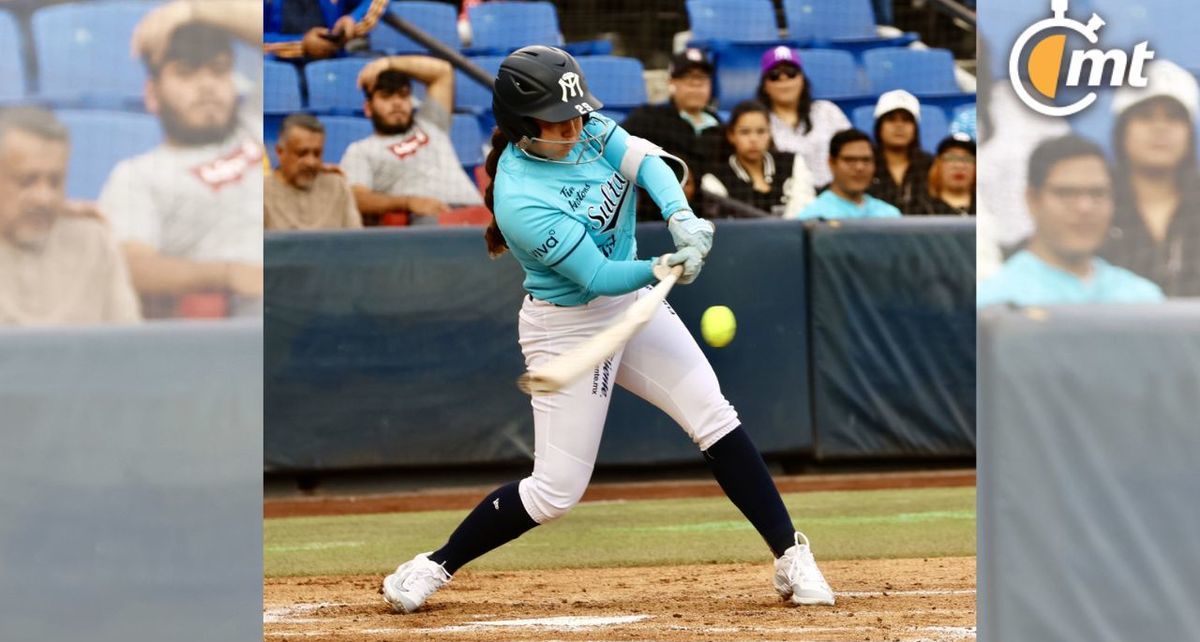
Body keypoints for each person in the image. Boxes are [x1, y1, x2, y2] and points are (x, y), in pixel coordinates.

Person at [380, 46, 835, 614]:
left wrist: (680, 217)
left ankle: (790, 554)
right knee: (554, 492)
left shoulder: (586, 125)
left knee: (713, 417)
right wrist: (662, 265)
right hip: (568, 326)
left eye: (576, 112)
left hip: (632, 304)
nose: (576, 125)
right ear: (522, 126)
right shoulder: (520, 196)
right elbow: (596, 276)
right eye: (557, 119)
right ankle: (434, 564)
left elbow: (644, 161)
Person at [99, 1, 263, 319]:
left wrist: (193, 9)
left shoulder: (253, 125)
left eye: (219, 69)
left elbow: (267, 23)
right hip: (233, 319)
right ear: (152, 94)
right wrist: (228, 274)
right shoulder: (138, 175)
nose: (206, 85)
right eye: (186, 73)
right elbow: (132, 265)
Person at [978, 136, 1164, 307]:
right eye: (1066, 193)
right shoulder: (994, 300)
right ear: (1033, 199)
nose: (1085, 207)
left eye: (1097, 193)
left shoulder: (1143, 299)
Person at [0, 107, 140, 325]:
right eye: (26, 181)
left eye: (55, 181)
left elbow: (131, 346)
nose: (44, 198)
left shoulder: (93, 242)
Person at [340, 55, 484, 226]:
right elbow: (356, 198)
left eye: (403, 95)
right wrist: (408, 202)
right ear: (368, 108)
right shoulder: (361, 150)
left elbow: (443, 72)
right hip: (431, 219)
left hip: (477, 211)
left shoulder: (430, 123)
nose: (397, 103)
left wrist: (388, 63)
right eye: (386, 96)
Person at [1101, 60, 1200, 298]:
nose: (1160, 129)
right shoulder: (1095, 200)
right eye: (1145, 117)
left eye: (1173, 118)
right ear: (1122, 131)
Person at [756, 45, 851, 189]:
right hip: (787, 198)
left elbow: (852, 149)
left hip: (834, 193)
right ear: (765, 85)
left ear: (802, 79)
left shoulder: (827, 111)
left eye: (791, 72)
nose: (784, 79)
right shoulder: (758, 121)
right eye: (774, 75)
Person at [700, 100, 814, 218]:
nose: (753, 139)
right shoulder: (715, 178)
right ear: (731, 135)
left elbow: (804, 212)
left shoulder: (792, 163)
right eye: (745, 132)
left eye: (761, 131)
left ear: (770, 133)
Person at [621, 48, 724, 176]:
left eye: (702, 78)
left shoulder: (719, 126)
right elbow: (617, 143)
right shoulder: (649, 118)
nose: (696, 84)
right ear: (672, 81)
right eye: (688, 77)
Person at [265, 113, 361, 230]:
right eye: (302, 153)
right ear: (280, 152)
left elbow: (356, 243)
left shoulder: (337, 187)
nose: (311, 162)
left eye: (317, 154)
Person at [794, 129, 901, 220]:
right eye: (849, 160)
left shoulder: (890, 215)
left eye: (866, 160)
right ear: (831, 163)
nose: (859, 167)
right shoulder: (813, 217)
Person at [867, 90, 933, 214]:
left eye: (906, 120)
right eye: (891, 120)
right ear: (879, 126)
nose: (899, 126)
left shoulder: (930, 165)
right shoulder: (864, 164)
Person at [263, 0, 388, 60]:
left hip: (333, 65)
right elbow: (249, 40)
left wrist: (353, 20)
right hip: (277, 69)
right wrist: (303, 45)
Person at [924, 133, 976, 216]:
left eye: (967, 158)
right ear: (938, 164)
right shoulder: (921, 209)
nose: (959, 165)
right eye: (951, 157)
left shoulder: (988, 208)